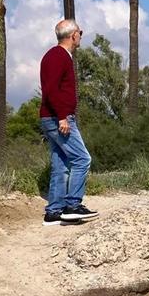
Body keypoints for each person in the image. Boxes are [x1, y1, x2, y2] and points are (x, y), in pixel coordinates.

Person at [39, 19, 98, 225]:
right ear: (73, 35)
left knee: (61, 164)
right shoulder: (58, 56)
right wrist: (63, 116)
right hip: (58, 118)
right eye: (80, 32)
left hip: (52, 116)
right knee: (82, 159)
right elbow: (51, 90)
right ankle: (73, 205)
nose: (81, 35)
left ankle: (54, 211)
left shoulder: (56, 56)